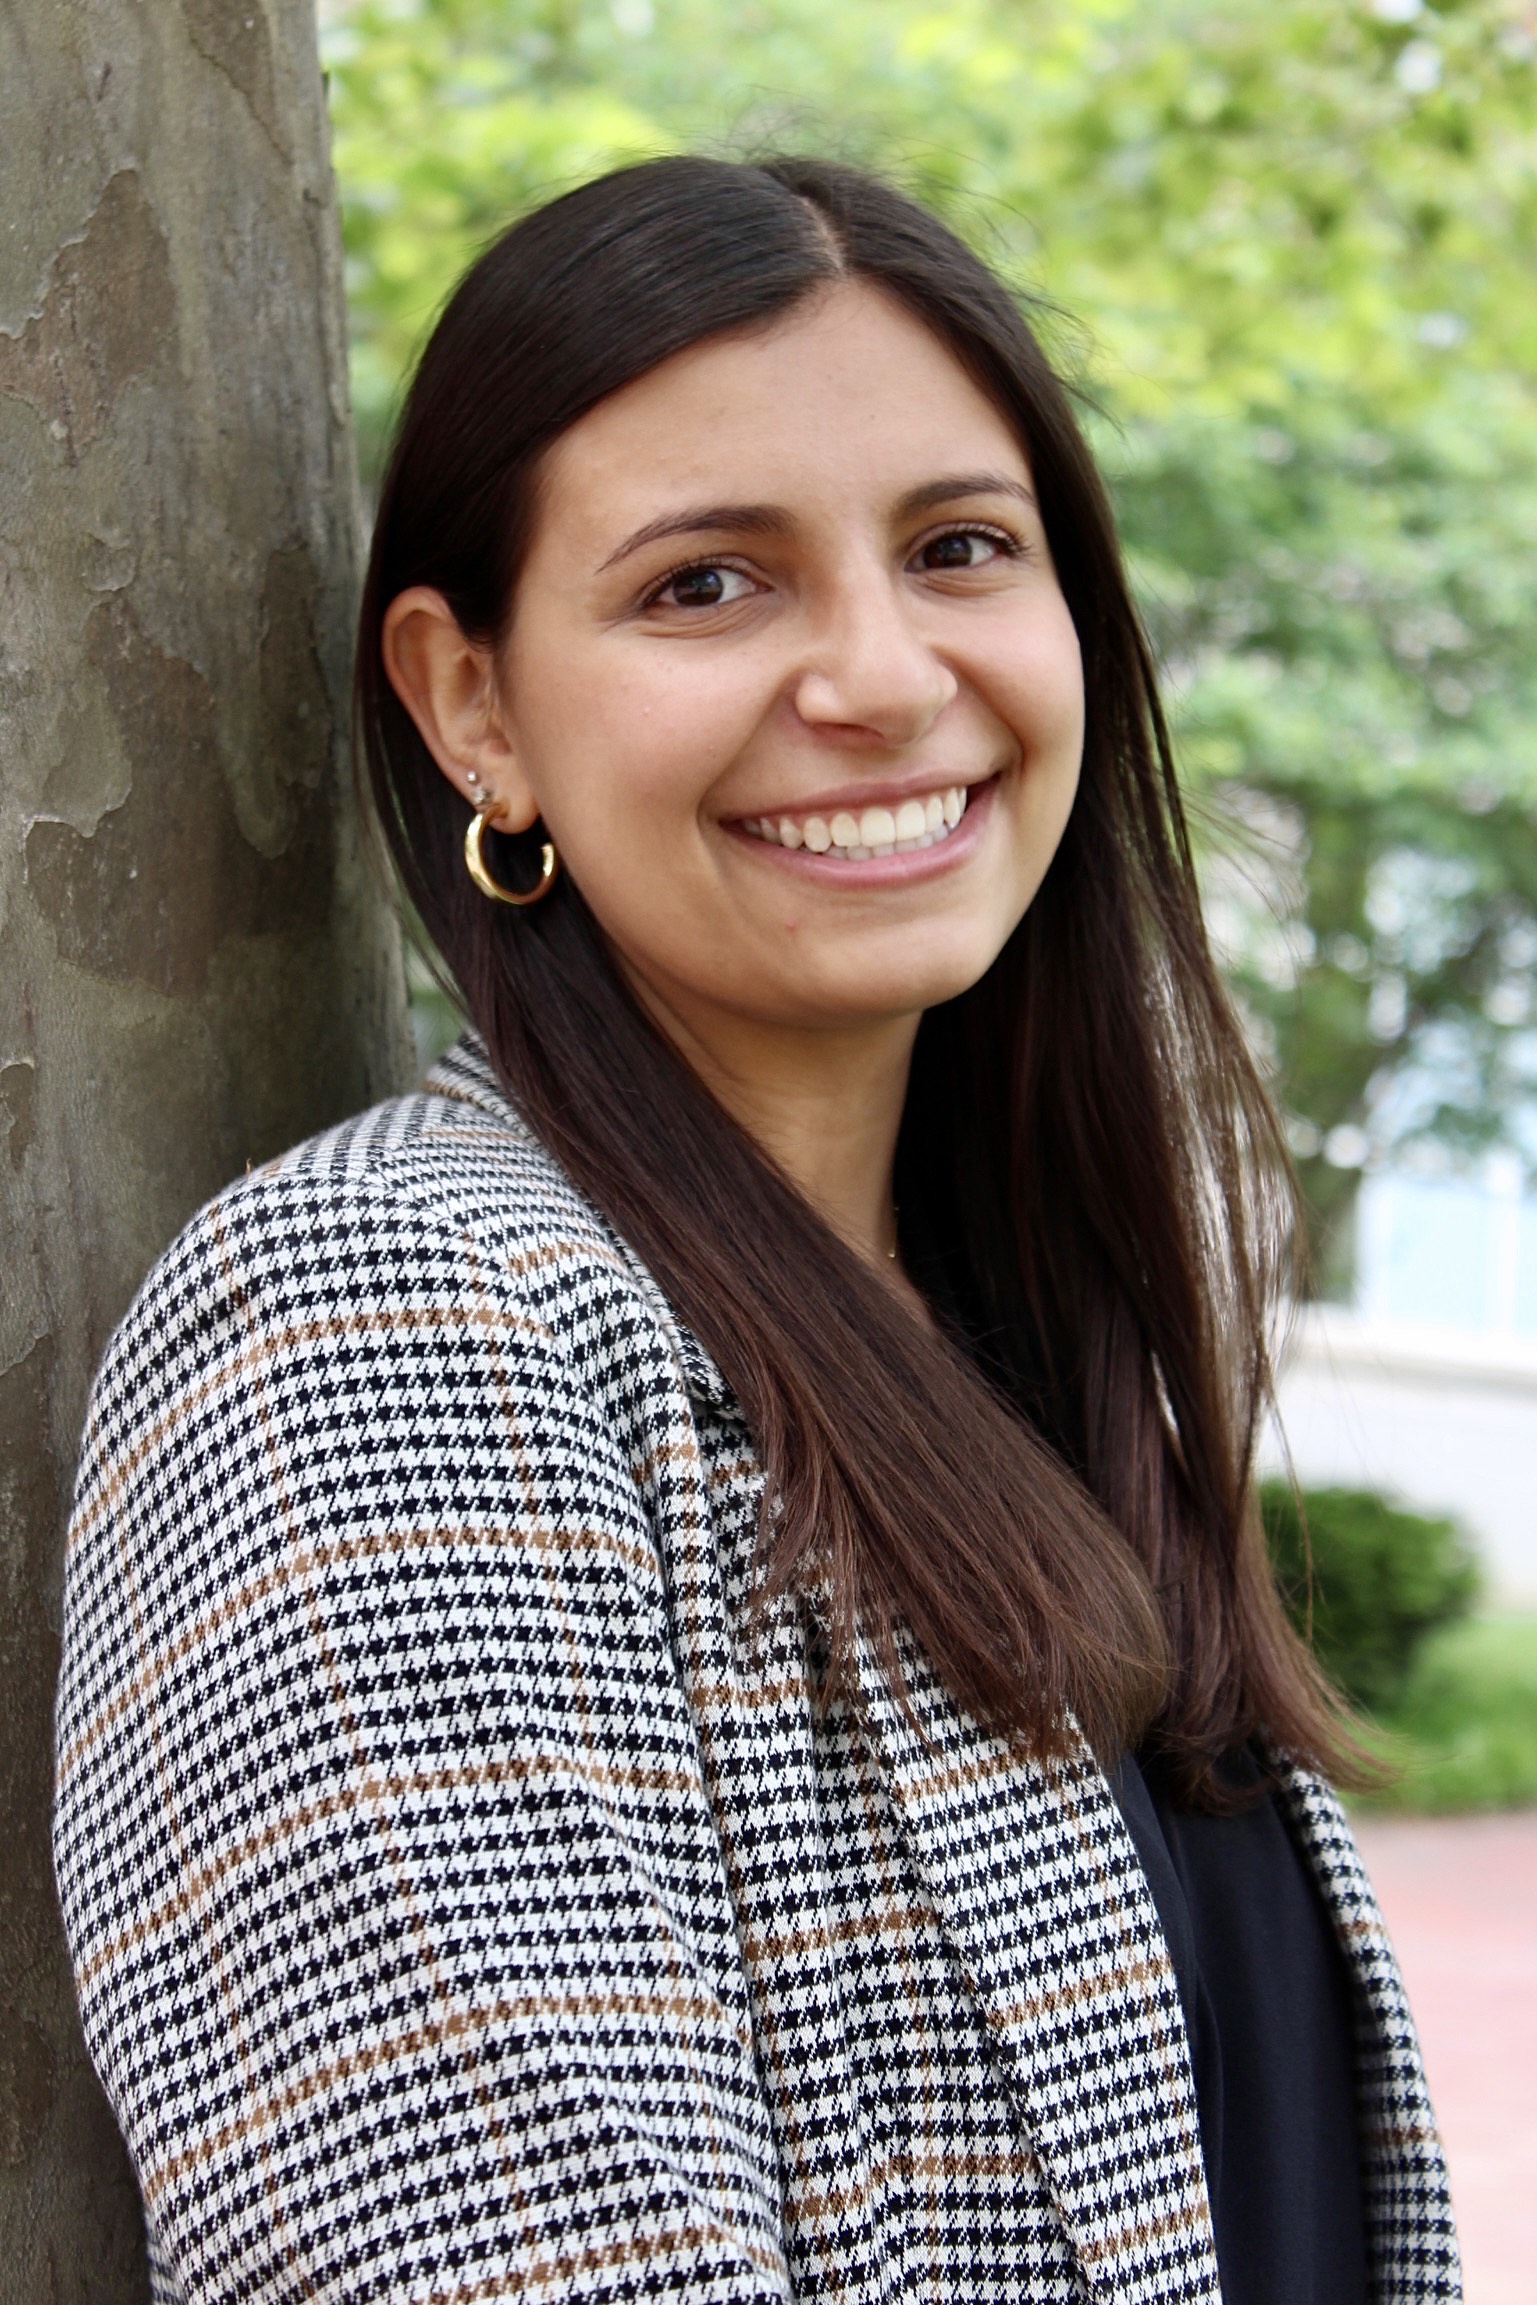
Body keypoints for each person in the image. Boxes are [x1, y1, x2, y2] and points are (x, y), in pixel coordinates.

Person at [53, 156, 1458, 2303]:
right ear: (472, 706)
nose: (882, 677)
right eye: (706, 585)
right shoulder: (391, 1319)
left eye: (958, 548)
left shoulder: (1020, 1341)